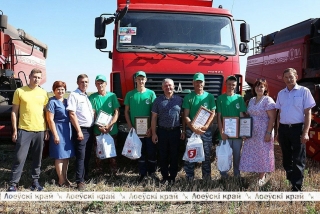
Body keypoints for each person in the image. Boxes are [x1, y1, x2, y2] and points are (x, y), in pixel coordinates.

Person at [8, 68, 49, 192]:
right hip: (24, 129)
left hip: (40, 130)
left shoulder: (43, 93)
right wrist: (15, 130)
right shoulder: (20, 91)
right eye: (34, 77)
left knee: (37, 158)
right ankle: (13, 183)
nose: (36, 79)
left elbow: (46, 112)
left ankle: (35, 182)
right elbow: (14, 112)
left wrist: (47, 130)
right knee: (19, 157)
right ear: (29, 76)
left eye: (38, 77)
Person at [275, 68, 315, 191]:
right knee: (286, 159)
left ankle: (296, 188)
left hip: (297, 129)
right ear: (283, 78)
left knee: (298, 159)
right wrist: (277, 131)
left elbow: (308, 113)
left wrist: (305, 132)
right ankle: (292, 180)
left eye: (291, 76)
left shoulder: (304, 91)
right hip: (283, 129)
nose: (288, 79)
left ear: (296, 77)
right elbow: (279, 113)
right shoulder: (281, 93)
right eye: (286, 77)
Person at [239, 79, 276, 186]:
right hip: (252, 132)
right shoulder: (251, 100)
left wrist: (268, 133)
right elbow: (248, 116)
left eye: (262, 86)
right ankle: (256, 172)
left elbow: (272, 118)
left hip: (264, 131)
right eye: (257, 86)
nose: (259, 88)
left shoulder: (268, 100)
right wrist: (244, 131)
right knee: (254, 153)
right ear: (254, 88)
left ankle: (262, 176)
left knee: (263, 153)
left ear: (265, 88)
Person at [124, 71, 157, 182]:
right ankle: (142, 174)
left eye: (143, 79)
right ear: (135, 80)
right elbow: (126, 112)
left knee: (151, 152)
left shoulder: (151, 94)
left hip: (149, 130)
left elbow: (154, 113)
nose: (141, 81)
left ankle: (152, 173)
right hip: (136, 130)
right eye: (139, 79)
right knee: (139, 152)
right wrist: (130, 126)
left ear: (146, 80)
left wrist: (152, 128)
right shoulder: (130, 94)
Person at [151, 78, 185, 184]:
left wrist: (183, 130)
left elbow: (183, 117)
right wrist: (153, 133)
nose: (168, 87)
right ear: (162, 88)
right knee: (163, 155)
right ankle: (165, 177)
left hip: (175, 131)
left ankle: (173, 177)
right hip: (162, 132)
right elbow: (154, 118)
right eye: (165, 86)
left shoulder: (179, 100)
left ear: (174, 87)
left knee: (174, 155)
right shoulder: (158, 100)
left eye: (170, 85)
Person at [182, 72, 215, 181]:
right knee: (191, 154)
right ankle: (189, 177)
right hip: (192, 131)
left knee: (206, 155)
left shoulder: (209, 97)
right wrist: (193, 128)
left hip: (206, 131)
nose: (199, 84)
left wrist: (206, 126)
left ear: (204, 83)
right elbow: (186, 115)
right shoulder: (188, 97)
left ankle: (206, 178)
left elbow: (213, 113)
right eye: (196, 82)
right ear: (193, 83)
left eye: (200, 82)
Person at [67, 74, 94, 190]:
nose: (85, 84)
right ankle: (79, 181)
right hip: (81, 129)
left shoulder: (86, 96)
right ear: (78, 83)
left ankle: (85, 175)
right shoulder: (74, 95)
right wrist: (78, 131)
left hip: (90, 129)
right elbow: (72, 114)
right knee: (81, 156)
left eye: (86, 82)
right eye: (82, 82)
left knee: (87, 155)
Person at [89, 74, 120, 177]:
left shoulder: (112, 96)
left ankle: (113, 172)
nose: (100, 85)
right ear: (95, 85)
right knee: (99, 152)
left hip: (111, 130)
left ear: (106, 84)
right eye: (98, 83)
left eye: (102, 83)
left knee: (112, 152)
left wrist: (110, 125)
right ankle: (99, 172)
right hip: (98, 130)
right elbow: (93, 113)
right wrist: (99, 126)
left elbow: (116, 112)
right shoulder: (92, 97)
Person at [216, 75, 247, 179]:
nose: (231, 86)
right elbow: (219, 117)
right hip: (225, 134)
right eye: (229, 84)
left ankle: (237, 176)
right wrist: (221, 132)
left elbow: (242, 115)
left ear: (236, 85)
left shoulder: (239, 98)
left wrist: (243, 132)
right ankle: (223, 176)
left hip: (237, 134)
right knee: (224, 156)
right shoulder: (220, 98)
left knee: (237, 156)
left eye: (233, 85)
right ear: (226, 84)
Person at [46, 81, 75, 187]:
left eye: (62, 89)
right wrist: (55, 134)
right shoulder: (52, 102)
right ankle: (61, 180)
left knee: (66, 156)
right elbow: (50, 120)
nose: (60, 91)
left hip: (67, 130)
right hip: (58, 129)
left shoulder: (67, 101)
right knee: (59, 155)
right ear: (54, 90)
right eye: (58, 89)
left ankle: (65, 178)